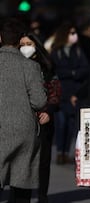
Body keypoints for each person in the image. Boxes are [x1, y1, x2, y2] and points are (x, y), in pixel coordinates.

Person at [0, 17, 47, 203]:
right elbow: (39, 101)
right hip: (23, 128)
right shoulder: (31, 66)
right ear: (20, 40)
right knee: (21, 180)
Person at [20, 32, 61, 203]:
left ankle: (42, 196)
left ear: (36, 45)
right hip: (22, 121)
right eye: (22, 44)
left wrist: (48, 111)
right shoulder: (15, 65)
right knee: (24, 163)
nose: (25, 48)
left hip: (44, 120)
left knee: (43, 163)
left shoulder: (47, 66)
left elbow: (55, 92)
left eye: (29, 44)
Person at [50, 22, 90, 164]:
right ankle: (60, 151)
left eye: (75, 33)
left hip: (74, 94)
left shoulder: (78, 51)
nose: (74, 36)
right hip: (61, 94)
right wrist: (73, 73)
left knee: (72, 125)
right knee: (61, 124)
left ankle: (66, 151)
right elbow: (56, 71)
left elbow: (86, 69)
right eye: (71, 33)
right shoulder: (56, 51)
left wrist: (71, 73)